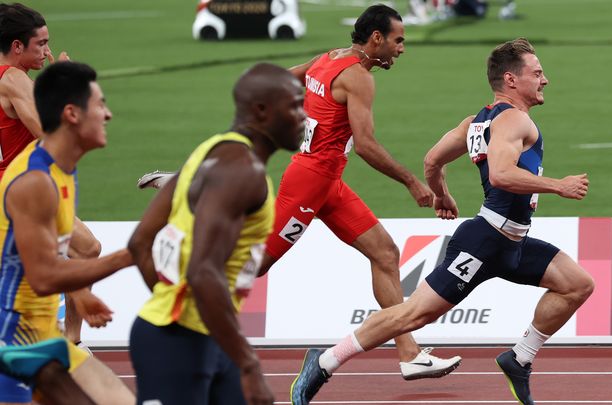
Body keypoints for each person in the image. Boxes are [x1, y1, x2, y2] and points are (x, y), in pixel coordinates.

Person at [137, 4, 462, 382]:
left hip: (329, 185)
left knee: (385, 252)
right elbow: (368, 145)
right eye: (398, 40)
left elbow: (279, 81)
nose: (402, 48)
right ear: (377, 39)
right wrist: (411, 182)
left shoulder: (328, 58)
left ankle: (410, 354)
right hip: (310, 183)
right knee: (254, 265)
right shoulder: (358, 77)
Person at [290, 37, 595, 405]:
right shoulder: (515, 120)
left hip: (511, 241)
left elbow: (433, 160)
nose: (545, 80)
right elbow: (500, 174)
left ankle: (519, 358)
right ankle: (322, 363)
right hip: (485, 242)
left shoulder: (475, 123)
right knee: (412, 315)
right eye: (537, 73)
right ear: (511, 80)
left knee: (577, 284)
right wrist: (557, 186)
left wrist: (442, 194)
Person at [126, 62, 306, 405]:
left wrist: (173, 305)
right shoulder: (242, 171)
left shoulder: (208, 150)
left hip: (204, 334)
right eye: (295, 105)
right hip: (181, 341)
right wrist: (250, 363)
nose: (304, 116)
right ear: (262, 110)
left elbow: (139, 242)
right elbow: (202, 271)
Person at [0, 61, 134, 403]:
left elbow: (57, 255)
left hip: (44, 335)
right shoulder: (35, 182)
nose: (109, 115)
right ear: (72, 114)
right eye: (100, 105)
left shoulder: (61, 172)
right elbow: (45, 277)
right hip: (15, 342)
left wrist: (79, 294)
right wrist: (127, 256)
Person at [0, 2, 100, 352]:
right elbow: (50, 134)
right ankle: (69, 343)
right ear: (16, 47)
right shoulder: (12, 79)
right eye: (40, 43)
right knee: (86, 251)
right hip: (18, 196)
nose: (46, 50)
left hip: (20, 192)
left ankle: (67, 341)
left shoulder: (11, 79)